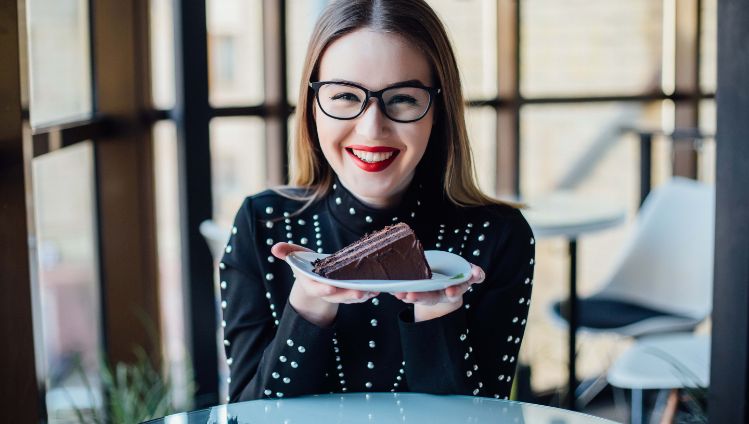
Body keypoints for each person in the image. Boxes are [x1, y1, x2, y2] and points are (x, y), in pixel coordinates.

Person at [218, 0, 535, 403]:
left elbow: (484, 416)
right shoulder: (261, 224)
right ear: (313, 107)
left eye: (403, 98)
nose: (372, 128)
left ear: (437, 110)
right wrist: (309, 306)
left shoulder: (498, 236)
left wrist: (437, 314)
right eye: (346, 96)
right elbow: (247, 415)